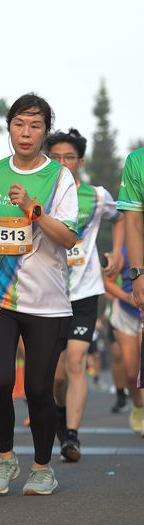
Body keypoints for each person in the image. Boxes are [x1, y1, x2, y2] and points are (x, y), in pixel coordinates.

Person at [0, 93, 78, 496]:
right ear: (9, 129)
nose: (26, 133)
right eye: (19, 124)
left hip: (46, 303)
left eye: (35, 126)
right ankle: (5, 460)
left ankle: (42, 468)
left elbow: (67, 238)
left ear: (45, 131)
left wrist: (33, 208)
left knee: (37, 389)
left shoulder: (59, 178)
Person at [45, 128, 123, 461]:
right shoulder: (39, 193)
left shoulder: (96, 196)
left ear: (80, 161)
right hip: (47, 293)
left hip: (84, 292)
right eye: (56, 157)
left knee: (77, 361)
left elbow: (120, 218)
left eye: (69, 157)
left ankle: (72, 437)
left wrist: (117, 253)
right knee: (56, 377)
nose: (63, 163)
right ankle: (61, 418)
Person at [117, 146, 144, 435]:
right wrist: (137, 276)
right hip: (127, 307)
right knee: (129, 368)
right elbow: (132, 220)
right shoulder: (137, 161)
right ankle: (138, 405)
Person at [104, 246, 144, 434]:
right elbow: (107, 282)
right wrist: (127, 297)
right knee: (131, 373)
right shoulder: (125, 249)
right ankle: (137, 405)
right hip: (127, 314)